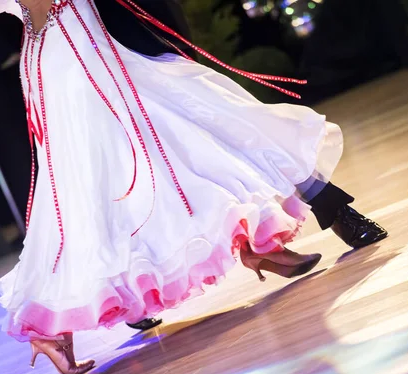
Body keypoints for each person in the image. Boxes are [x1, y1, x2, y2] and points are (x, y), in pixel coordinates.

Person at [0, 0, 378, 374]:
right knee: (202, 122)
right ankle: (278, 232)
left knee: (101, 178)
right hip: (81, 48)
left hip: (57, 52)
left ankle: (261, 237)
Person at [94, 0, 388, 332]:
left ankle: (331, 212)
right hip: (94, 62)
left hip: (138, 39)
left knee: (240, 125)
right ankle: (133, 294)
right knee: (134, 183)